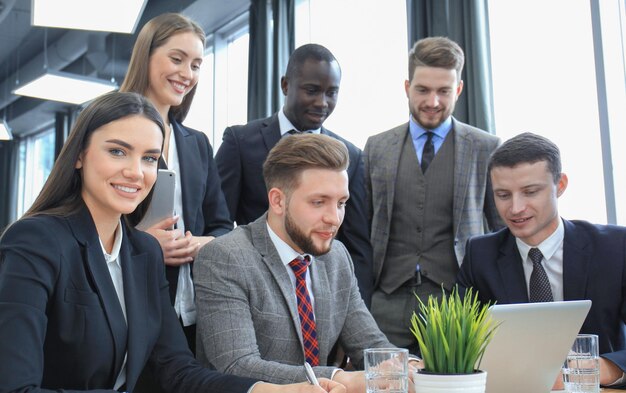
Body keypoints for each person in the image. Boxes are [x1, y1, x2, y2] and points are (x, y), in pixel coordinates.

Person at [0, 91, 344, 393]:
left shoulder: (143, 253)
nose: (136, 171)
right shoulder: (35, 242)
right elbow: (15, 387)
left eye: (149, 158)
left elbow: (177, 371)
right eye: (118, 152)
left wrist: (267, 390)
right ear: (79, 155)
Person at [195, 134, 401, 393]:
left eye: (341, 203)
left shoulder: (337, 257)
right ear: (278, 200)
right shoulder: (225, 257)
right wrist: (340, 377)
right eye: (318, 202)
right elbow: (238, 365)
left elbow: (370, 345)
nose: (334, 218)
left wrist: (410, 369)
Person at [363, 36, 502, 354]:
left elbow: (500, 234)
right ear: (407, 86)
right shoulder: (375, 147)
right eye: (423, 90)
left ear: (459, 90)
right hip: (384, 304)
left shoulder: (486, 147)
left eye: (444, 91)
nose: (433, 101)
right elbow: (361, 230)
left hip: (459, 301)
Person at [457, 132, 626, 388]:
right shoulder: (479, 255)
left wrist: (600, 368)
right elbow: (457, 344)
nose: (515, 208)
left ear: (560, 185)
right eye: (503, 195)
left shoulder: (614, 247)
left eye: (530, 192)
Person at [214, 43, 374, 306]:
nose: (322, 102)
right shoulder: (240, 142)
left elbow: (358, 247)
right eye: (312, 90)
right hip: (253, 289)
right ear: (286, 85)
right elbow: (218, 221)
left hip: (320, 297)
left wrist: (354, 314)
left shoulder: (351, 156)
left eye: (331, 93)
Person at [119, 13, 232, 352]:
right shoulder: (111, 130)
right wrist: (142, 242)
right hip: (130, 301)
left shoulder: (196, 143)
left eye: (196, 65)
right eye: (177, 59)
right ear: (147, 55)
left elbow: (223, 225)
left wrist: (203, 243)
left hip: (192, 310)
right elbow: (83, 219)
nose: (187, 74)